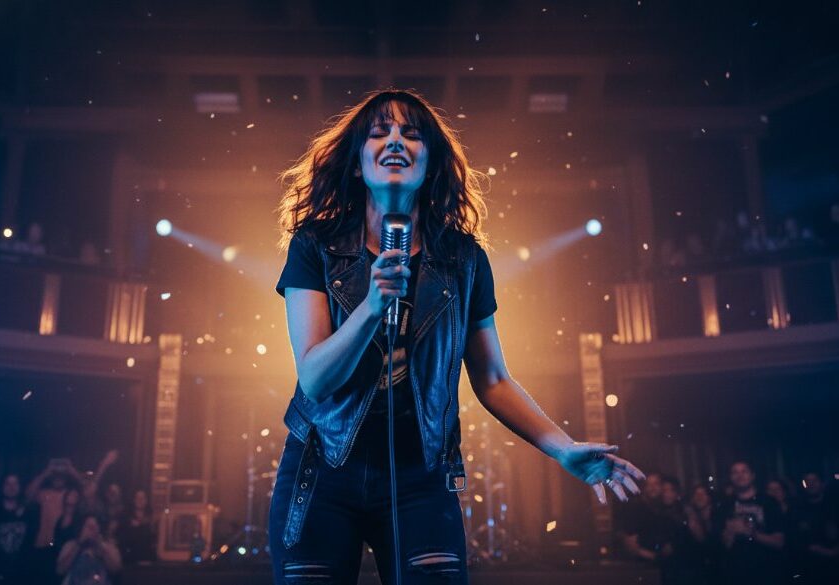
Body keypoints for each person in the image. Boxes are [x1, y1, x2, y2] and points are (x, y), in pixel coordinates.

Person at [269, 88, 645, 584]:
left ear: (431, 163)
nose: (396, 141)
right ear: (357, 164)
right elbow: (316, 379)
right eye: (380, 133)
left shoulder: (463, 260)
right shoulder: (316, 246)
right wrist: (372, 307)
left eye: (411, 134)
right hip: (321, 471)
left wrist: (562, 448)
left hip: (421, 474)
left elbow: (493, 379)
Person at [713, 461, 786, 585]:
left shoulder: (769, 502)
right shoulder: (724, 505)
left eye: (744, 471)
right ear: (731, 477)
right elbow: (721, 545)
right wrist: (729, 533)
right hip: (736, 574)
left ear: (752, 475)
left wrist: (750, 532)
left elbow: (779, 542)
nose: (740, 475)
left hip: (766, 572)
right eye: (735, 472)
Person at [55, 515, 122, 585]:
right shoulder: (71, 545)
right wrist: (79, 544)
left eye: (95, 527)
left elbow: (115, 570)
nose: (92, 531)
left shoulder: (108, 546)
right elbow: (60, 570)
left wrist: (100, 546)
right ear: (81, 528)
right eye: (89, 527)